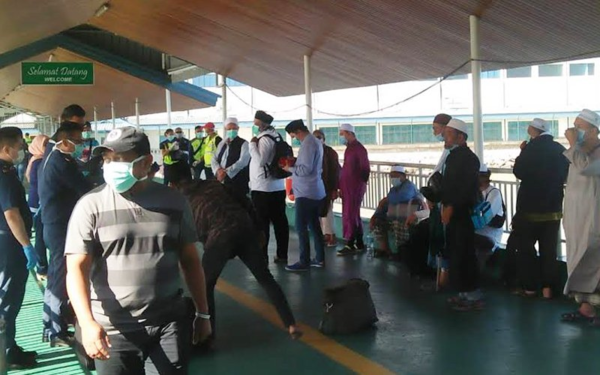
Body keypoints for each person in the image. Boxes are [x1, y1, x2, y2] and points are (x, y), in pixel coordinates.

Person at [65, 126, 211, 374]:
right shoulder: (89, 205)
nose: (110, 166)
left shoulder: (174, 201)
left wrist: (203, 314)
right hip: (113, 329)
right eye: (107, 159)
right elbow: (76, 269)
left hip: (169, 324)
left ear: (147, 163)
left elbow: (190, 260)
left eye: (119, 159)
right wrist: (87, 323)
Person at [177, 178, 302, 344]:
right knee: (266, 278)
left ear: (173, 184)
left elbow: (199, 233)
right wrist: (258, 229)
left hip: (219, 236)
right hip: (244, 227)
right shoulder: (214, 184)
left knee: (205, 285)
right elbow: (245, 201)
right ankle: (291, 324)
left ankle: (208, 335)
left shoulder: (184, 201)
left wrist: (223, 250)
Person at [38, 121, 91, 347]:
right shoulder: (61, 162)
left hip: (53, 225)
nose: (79, 145)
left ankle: (50, 326)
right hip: (60, 228)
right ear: (66, 140)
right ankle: (56, 332)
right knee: (60, 279)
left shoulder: (53, 156)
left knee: (56, 276)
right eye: (77, 141)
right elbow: (83, 188)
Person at [513, 118, 569, 299]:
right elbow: (566, 174)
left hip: (529, 208)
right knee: (549, 251)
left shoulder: (529, 149)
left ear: (532, 130)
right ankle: (548, 290)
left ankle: (529, 288)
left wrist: (522, 152)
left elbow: (518, 172)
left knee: (527, 249)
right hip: (553, 208)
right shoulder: (560, 149)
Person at [0, 127, 39, 369]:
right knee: (9, 298)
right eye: (20, 147)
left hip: (6, 242)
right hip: (9, 245)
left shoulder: (7, 171)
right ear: (6, 149)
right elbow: (11, 214)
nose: (22, 151)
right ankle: (6, 353)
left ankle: (9, 346)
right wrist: (27, 245)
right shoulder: (3, 175)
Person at [561, 109, 600, 325]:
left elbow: (586, 168)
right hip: (576, 218)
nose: (574, 131)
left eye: (580, 127)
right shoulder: (578, 151)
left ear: (594, 130)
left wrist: (574, 144)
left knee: (592, 262)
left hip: (593, 219)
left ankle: (590, 309)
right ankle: (585, 308)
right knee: (578, 260)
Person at [441, 119, 481, 311]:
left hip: (462, 212)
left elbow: (464, 188)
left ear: (461, 137)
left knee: (465, 252)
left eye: (449, 133)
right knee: (455, 251)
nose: (444, 136)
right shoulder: (452, 156)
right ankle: (461, 292)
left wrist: (451, 207)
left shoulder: (470, 159)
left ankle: (471, 294)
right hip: (451, 210)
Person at [282, 120, 326, 271]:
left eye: (293, 135)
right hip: (314, 190)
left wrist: (290, 168)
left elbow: (305, 169)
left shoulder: (307, 144)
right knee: (314, 226)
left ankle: (304, 261)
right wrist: (296, 162)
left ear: (298, 131)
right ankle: (320, 258)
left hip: (306, 192)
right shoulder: (315, 141)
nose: (294, 138)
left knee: (301, 227)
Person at [250, 110, 289, 263]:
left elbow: (261, 161)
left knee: (262, 223)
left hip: (263, 188)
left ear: (262, 124)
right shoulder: (276, 136)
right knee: (280, 222)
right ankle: (281, 254)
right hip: (277, 187)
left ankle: (262, 255)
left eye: (256, 124)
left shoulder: (264, 139)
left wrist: (252, 145)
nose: (254, 126)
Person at [370, 166, 420, 259]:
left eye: (395, 176)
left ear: (403, 176)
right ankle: (385, 250)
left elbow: (402, 197)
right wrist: (375, 215)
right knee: (378, 221)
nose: (393, 179)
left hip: (409, 218)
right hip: (395, 215)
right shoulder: (393, 189)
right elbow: (384, 205)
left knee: (398, 223)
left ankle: (402, 252)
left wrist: (387, 199)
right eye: (391, 177)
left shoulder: (409, 186)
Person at [337, 123, 370, 256]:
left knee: (350, 214)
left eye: (342, 134)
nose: (341, 137)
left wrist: (357, 184)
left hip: (354, 187)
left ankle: (350, 243)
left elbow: (365, 169)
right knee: (353, 214)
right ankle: (359, 242)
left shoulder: (359, 149)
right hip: (348, 186)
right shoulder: (349, 148)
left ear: (349, 133)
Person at [26, 134, 50, 279]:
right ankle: (42, 268)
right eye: (45, 144)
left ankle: (42, 267)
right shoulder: (40, 161)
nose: (48, 147)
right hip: (40, 203)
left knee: (40, 235)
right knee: (40, 237)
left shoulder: (34, 159)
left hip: (35, 203)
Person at [475, 164, 505, 272]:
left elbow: (485, 217)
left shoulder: (494, 193)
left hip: (490, 235)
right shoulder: (475, 193)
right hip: (478, 232)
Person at [211, 117, 250, 199]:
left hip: (237, 181)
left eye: (234, 128)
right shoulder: (222, 143)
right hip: (221, 179)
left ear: (238, 128)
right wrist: (218, 170)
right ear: (225, 129)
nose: (232, 131)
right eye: (229, 129)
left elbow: (243, 161)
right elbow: (214, 158)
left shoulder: (244, 143)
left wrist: (226, 172)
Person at [313, 129, 340, 247]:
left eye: (319, 137)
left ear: (324, 139)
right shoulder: (311, 151)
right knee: (318, 213)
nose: (317, 139)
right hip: (314, 188)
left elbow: (335, 172)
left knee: (327, 213)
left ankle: (331, 236)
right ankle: (323, 236)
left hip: (327, 188)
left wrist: (334, 189)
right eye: (315, 137)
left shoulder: (330, 152)